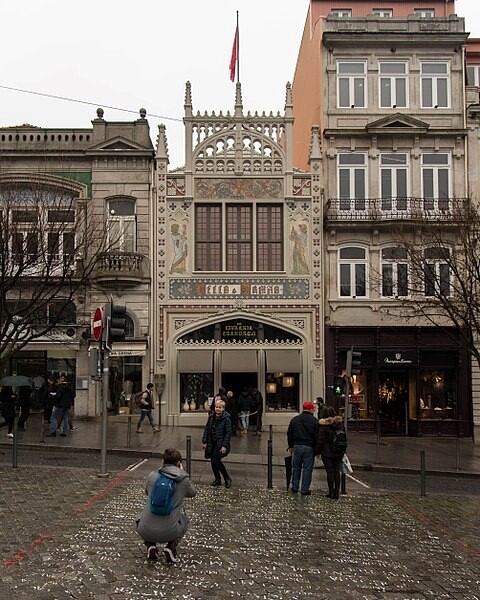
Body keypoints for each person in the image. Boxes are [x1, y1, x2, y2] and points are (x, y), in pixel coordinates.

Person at [136, 447, 196, 563]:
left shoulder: (152, 476)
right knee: (184, 520)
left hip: (146, 529)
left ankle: (150, 545)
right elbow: (192, 493)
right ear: (179, 463)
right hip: (170, 531)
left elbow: (147, 492)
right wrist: (183, 473)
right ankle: (171, 546)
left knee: (140, 516)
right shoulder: (183, 480)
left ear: (163, 461)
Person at [287, 401, 320, 496]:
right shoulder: (315, 421)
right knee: (307, 469)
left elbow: (290, 433)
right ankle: (305, 489)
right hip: (309, 447)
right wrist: (317, 450)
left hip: (297, 446)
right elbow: (317, 436)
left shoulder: (295, 419)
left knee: (296, 468)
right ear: (310, 409)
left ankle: (294, 487)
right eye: (313, 408)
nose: (314, 410)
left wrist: (291, 446)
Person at [202, 398, 232, 488]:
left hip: (220, 444)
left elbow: (228, 433)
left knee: (216, 460)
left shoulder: (226, 419)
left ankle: (227, 478)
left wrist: (224, 446)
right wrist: (204, 441)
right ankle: (217, 479)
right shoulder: (211, 417)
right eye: (216, 407)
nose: (217, 409)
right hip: (212, 442)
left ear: (223, 408)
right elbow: (207, 429)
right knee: (213, 461)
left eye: (219, 407)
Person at [317, 406, 346, 500]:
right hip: (338, 452)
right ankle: (336, 493)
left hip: (327, 453)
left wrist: (317, 451)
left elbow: (320, 440)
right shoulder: (340, 424)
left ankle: (331, 492)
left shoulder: (324, 426)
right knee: (337, 472)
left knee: (330, 472)